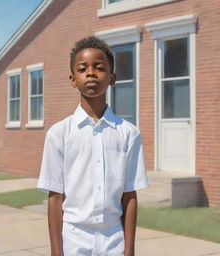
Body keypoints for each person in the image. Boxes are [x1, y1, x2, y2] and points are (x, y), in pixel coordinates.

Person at [37, 36, 148, 256]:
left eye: (99, 67)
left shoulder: (128, 133)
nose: (91, 73)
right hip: (73, 239)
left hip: (114, 239)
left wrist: (129, 250)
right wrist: (56, 252)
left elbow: (129, 195)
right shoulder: (59, 133)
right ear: (72, 79)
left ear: (112, 78)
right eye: (82, 68)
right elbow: (55, 197)